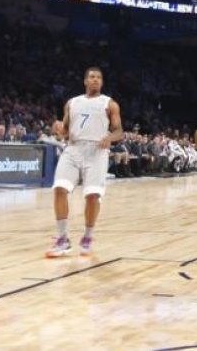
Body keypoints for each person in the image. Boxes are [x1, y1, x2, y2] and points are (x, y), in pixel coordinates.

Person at [46, 67, 124, 258]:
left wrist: (110, 138)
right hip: (73, 148)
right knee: (59, 188)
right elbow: (65, 130)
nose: (95, 80)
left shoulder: (109, 104)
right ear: (85, 81)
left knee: (92, 196)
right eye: (92, 77)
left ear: (102, 82)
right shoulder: (72, 103)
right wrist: (58, 128)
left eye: (98, 77)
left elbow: (119, 131)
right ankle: (63, 239)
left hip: (96, 150)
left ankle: (88, 236)